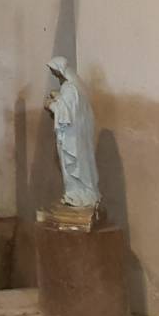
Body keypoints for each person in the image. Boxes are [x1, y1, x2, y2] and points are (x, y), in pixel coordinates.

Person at [45, 57, 100, 209]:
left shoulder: (69, 88)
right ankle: (80, 194)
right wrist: (58, 98)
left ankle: (77, 196)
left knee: (74, 165)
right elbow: (71, 108)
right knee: (80, 165)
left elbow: (65, 114)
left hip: (71, 135)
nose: (54, 74)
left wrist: (50, 105)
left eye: (54, 71)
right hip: (76, 133)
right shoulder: (76, 87)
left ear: (60, 70)